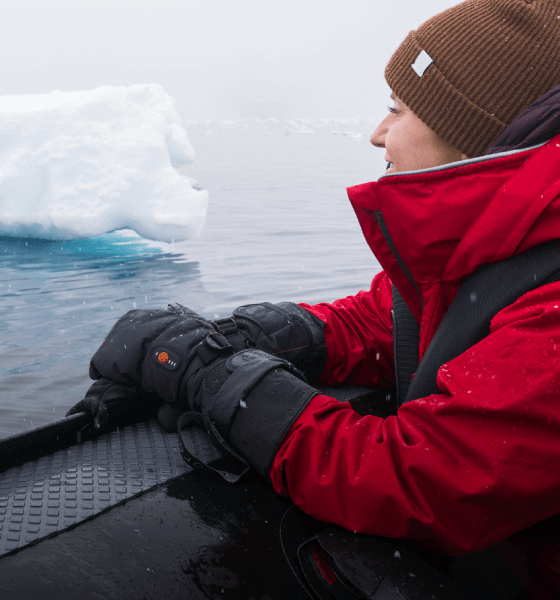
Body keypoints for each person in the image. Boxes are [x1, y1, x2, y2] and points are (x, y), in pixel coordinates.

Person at [68, 0, 560, 597]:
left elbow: (425, 480)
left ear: (472, 134)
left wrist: (209, 375)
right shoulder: (496, 254)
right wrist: (241, 338)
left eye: (396, 109)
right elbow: (381, 322)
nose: (377, 133)